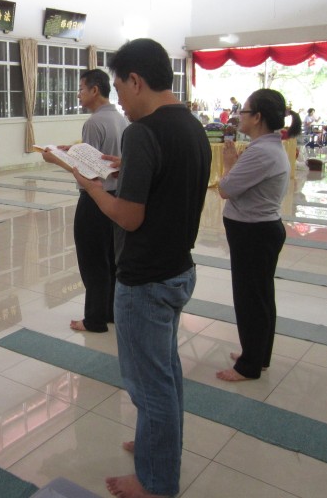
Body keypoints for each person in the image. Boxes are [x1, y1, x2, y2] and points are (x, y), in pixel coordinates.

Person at [72, 39, 210, 498]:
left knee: (150, 387)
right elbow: (169, 179)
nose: (120, 99)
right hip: (178, 268)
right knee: (165, 375)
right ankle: (157, 444)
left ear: (136, 81)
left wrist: (91, 186)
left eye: (118, 87)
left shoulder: (142, 132)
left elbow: (128, 217)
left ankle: (156, 482)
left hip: (145, 278)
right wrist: (125, 165)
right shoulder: (191, 126)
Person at [41, 69, 127, 333]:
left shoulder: (93, 123)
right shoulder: (121, 119)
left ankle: (94, 319)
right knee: (111, 259)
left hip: (95, 200)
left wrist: (56, 159)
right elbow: (99, 157)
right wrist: (73, 151)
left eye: (81, 89)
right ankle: (110, 312)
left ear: (95, 90)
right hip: (117, 198)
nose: (78, 94)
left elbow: (89, 172)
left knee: (92, 261)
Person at [216, 89, 289, 382]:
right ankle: (258, 355)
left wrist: (229, 164)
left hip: (254, 233)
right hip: (259, 230)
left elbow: (225, 189)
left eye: (243, 112)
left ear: (257, 117)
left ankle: (249, 366)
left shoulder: (261, 152)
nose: (239, 117)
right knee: (261, 296)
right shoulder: (268, 147)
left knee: (250, 299)